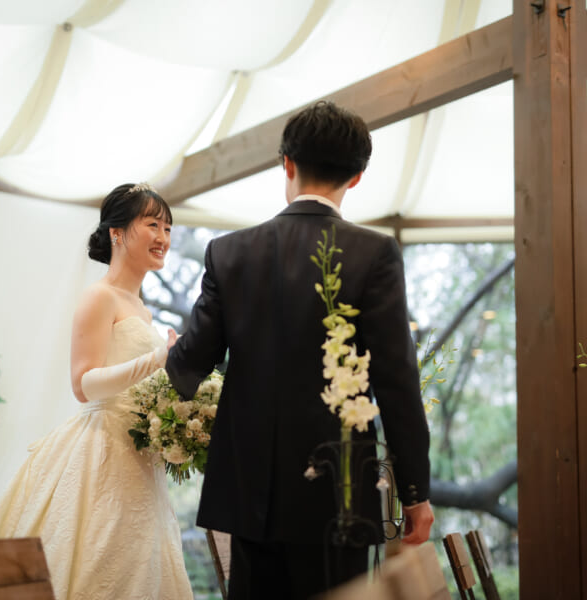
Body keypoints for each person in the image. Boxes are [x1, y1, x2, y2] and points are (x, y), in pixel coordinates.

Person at [166, 101, 434, 599]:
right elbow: (397, 381)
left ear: (286, 164)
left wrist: (174, 351)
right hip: (339, 494)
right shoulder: (374, 254)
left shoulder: (228, 252)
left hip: (249, 495)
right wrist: (415, 492)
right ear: (356, 176)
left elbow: (188, 368)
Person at [0, 183, 192, 600]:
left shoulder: (142, 309)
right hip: (103, 449)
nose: (163, 237)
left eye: (168, 228)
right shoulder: (99, 296)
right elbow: (83, 384)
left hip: (141, 456)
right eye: (152, 225)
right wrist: (158, 358)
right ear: (117, 233)